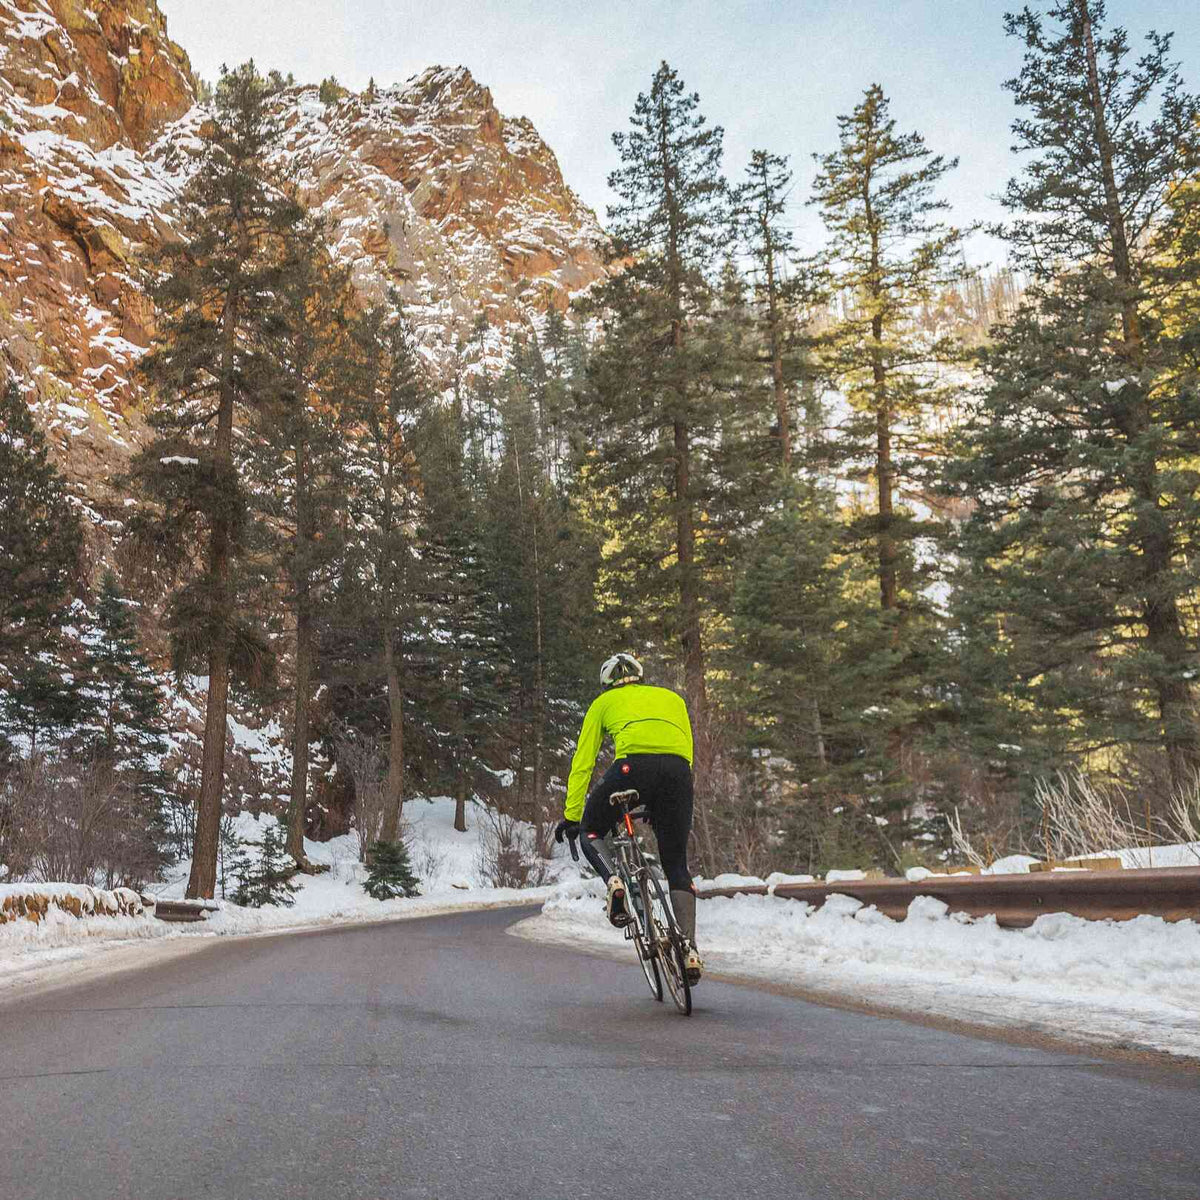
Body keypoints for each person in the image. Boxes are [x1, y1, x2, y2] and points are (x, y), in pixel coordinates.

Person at [554, 652, 703, 984]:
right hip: (678, 774)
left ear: (607, 685)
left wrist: (572, 816)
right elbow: (685, 748)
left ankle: (614, 882)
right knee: (677, 865)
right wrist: (662, 800)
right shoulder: (672, 698)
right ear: (641, 677)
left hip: (630, 768)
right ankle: (690, 948)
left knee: (591, 830)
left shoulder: (603, 703)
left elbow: (583, 760)